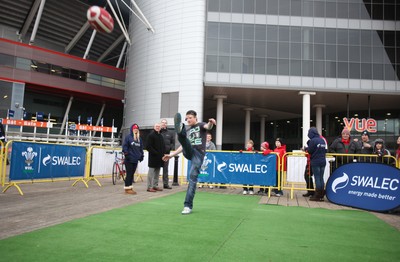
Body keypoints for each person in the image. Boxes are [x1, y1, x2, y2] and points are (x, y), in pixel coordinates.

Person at [163, 110, 216, 215]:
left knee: (192, 179)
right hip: (189, 151)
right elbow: (182, 146)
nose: (188, 119)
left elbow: (208, 127)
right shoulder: (189, 130)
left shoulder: (201, 125)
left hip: (198, 154)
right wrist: (171, 155)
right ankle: (180, 129)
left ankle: (187, 206)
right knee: (184, 140)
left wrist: (211, 123)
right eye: (186, 118)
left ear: (195, 118)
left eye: (190, 117)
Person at [306, 127, 327, 201]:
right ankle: (321, 194)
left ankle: (317, 195)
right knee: (321, 178)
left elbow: (310, 150)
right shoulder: (322, 140)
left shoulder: (313, 141)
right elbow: (326, 150)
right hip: (323, 161)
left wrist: (305, 149)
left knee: (317, 178)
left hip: (315, 161)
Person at [122, 123, 144, 195]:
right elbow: (125, 146)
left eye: (137, 129)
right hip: (129, 159)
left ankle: (130, 187)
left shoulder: (139, 139)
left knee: (132, 174)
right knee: (129, 174)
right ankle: (127, 188)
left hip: (135, 159)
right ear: (132, 129)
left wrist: (141, 156)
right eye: (134, 129)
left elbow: (141, 148)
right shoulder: (128, 137)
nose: (136, 130)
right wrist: (126, 154)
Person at [146, 123, 166, 192]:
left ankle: (155, 185)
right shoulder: (151, 135)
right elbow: (148, 147)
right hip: (153, 157)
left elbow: (163, 146)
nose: (157, 127)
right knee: (151, 173)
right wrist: (156, 153)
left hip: (160, 158)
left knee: (157, 173)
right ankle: (149, 187)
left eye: (159, 126)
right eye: (156, 126)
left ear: (160, 128)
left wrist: (163, 154)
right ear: (154, 127)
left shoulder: (160, 135)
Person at [160, 118, 175, 189]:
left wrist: (170, 148)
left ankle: (165, 184)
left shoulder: (170, 133)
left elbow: (173, 142)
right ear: (160, 124)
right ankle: (154, 184)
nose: (164, 124)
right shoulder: (158, 132)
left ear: (166, 124)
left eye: (165, 123)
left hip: (166, 154)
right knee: (156, 169)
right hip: (158, 154)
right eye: (162, 122)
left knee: (165, 169)